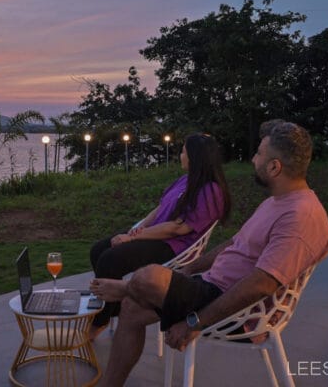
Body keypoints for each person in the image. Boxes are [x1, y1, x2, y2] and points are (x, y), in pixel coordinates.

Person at [90, 120, 328, 387]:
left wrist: (195, 322)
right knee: (131, 309)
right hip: (210, 286)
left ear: (275, 167)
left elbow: (261, 284)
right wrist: (190, 268)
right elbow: (234, 244)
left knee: (148, 277)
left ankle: (125, 287)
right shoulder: (275, 203)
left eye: (259, 154)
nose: (253, 159)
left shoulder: (300, 216)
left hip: (238, 312)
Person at [88, 133, 231, 340]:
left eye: (183, 151)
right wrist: (136, 230)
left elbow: (179, 228)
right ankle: (114, 307)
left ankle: (99, 322)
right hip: (155, 235)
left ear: (194, 156)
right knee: (99, 249)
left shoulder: (211, 190)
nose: (180, 155)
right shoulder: (185, 180)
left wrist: (134, 238)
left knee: (110, 259)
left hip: (174, 246)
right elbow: (160, 209)